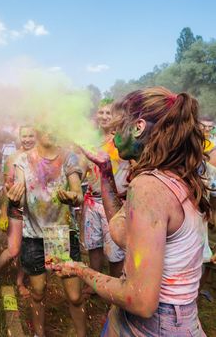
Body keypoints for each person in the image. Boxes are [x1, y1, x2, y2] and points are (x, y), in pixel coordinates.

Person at [55, 87, 209, 336]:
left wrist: (79, 270)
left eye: (119, 127)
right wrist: (105, 171)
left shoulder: (148, 187)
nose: (114, 135)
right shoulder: (171, 175)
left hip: (154, 326)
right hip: (174, 321)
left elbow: (139, 300)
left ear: (138, 127)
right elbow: (124, 234)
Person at [6, 122, 87, 337]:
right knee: (38, 293)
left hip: (61, 234)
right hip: (33, 237)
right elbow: (21, 196)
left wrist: (73, 196)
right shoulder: (23, 160)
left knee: (74, 296)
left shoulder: (68, 157)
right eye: (45, 125)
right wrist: (14, 198)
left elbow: (77, 190)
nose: (50, 130)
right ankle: (38, 334)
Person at [82, 100, 129, 287]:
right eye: (101, 112)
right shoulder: (92, 140)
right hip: (91, 200)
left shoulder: (121, 140)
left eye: (108, 113)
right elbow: (83, 167)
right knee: (94, 244)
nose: (104, 116)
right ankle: (95, 284)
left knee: (115, 250)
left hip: (115, 202)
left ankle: (115, 289)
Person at [0, 125, 36, 297]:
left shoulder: (40, 157)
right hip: (17, 210)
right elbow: (6, 188)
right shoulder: (13, 158)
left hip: (35, 213)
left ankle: (20, 281)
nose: (27, 139)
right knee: (13, 250)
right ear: (19, 137)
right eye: (24, 136)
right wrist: (3, 213)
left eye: (31, 135)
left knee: (27, 249)